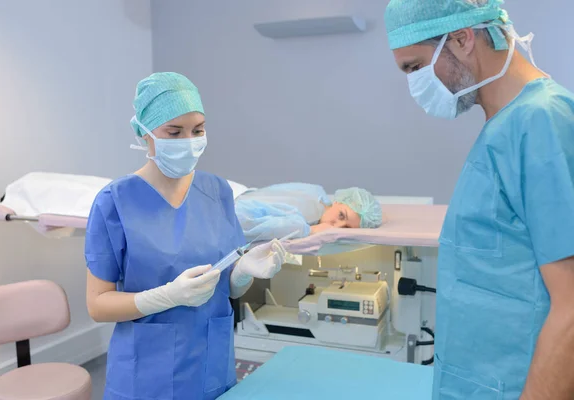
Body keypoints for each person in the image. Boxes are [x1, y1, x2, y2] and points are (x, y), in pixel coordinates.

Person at [384, 0, 574, 398]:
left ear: (462, 38)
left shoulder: (541, 121)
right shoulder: (504, 126)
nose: (414, 85)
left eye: (414, 67)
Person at [84, 72, 286, 400]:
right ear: (145, 133)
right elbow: (97, 304)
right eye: (174, 132)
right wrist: (168, 296)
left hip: (211, 363)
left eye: (198, 130)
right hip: (147, 374)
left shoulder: (217, 191)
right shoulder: (115, 202)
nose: (188, 141)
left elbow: (227, 286)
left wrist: (245, 273)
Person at [235, 183, 382, 242]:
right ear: (338, 201)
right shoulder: (307, 215)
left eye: (346, 228)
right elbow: (241, 221)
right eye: (341, 215)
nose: (336, 225)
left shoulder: (317, 191)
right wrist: (310, 230)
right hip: (223, 210)